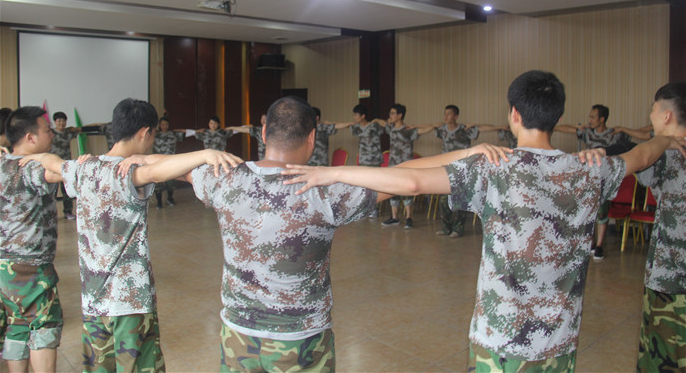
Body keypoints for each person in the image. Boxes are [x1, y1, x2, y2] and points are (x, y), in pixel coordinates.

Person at [283, 71, 686, 371]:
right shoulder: (588, 169)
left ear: (514, 114)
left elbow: (410, 180)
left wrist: (335, 172)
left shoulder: (494, 168)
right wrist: (667, 138)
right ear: (556, 116)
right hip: (560, 340)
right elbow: (641, 157)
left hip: (501, 339)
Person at [20, 98, 241, 372]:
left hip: (93, 301)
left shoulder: (83, 168)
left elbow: (55, 163)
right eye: (153, 135)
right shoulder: (130, 172)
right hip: (130, 303)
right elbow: (159, 171)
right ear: (144, 133)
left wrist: (34, 157)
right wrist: (205, 154)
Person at [183, 96, 381, 371]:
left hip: (238, 337)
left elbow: (166, 170)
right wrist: (339, 173)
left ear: (264, 132)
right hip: (302, 341)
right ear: (312, 138)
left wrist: (201, 156)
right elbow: (407, 181)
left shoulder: (225, 178)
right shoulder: (325, 191)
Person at [0, 107, 63, 372]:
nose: (52, 134)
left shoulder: (2, 163)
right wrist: (48, 158)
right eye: (47, 130)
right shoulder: (30, 167)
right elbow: (63, 172)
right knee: (44, 326)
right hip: (31, 267)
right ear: (30, 137)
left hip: (5, 266)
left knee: (17, 324)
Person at [630, 82, 685, 372]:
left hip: (670, 276)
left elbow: (639, 161)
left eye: (653, 110)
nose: (650, 116)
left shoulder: (662, 154)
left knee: (663, 353)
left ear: (666, 115)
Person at [556, 104, 632, 260]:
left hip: (604, 177)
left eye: (593, 117)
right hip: (587, 177)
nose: (590, 120)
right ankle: (589, 244)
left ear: (602, 119)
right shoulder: (588, 133)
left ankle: (599, 246)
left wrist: (623, 129)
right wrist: (576, 127)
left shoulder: (613, 135)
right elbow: (561, 128)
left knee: (602, 212)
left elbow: (630, 144)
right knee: (586, 210)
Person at [428, 105, 502, 237]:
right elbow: (426, 127)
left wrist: (478, 125)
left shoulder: (464, 129)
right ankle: (446, 228)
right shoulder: (442, 129)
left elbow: (485, 128)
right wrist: (434, 124)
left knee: (459, 199)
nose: (445, 116)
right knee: (443, 201)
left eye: (449, 114)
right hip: (446, 169)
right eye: (445, 114)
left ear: (456, 116)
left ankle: (458, 228)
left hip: (463, 168)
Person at [374, 103, 433, 229]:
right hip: (393, 165)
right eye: (390, 113)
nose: (390, 115)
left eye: (393, 113)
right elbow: (380, 121)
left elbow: (430, 127)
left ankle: (408, 217)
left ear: (400, 115)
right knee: (393, 190)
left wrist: (416, 126)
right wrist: (383, 120)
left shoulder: (408, 130)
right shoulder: (391, 128)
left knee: (407, 190)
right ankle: (394, 217)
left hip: (406, 165)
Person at [152, 116, 186, 209]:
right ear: (159, 125)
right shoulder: (155, 135)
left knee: (170, 183)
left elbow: (185, 133)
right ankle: (159, 202)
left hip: (170, 163)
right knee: (158, 184)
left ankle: (170, 198)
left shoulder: (173, 134)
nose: (164, 126)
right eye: (162, 124)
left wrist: (178, 130)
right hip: (157, 163)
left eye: (166, 124)